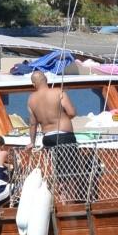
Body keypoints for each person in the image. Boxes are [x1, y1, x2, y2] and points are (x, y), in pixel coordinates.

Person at [27, 70, 90, 200]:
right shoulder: (58, 93)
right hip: (63, 135)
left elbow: (33, 124)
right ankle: (70, 200)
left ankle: (62, 198)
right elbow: (72, 112)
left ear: (34, 84)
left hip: (48, 138)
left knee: (59, 168)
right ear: (46, 80)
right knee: (70, 170)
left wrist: (32, 142)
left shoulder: (31, 99)